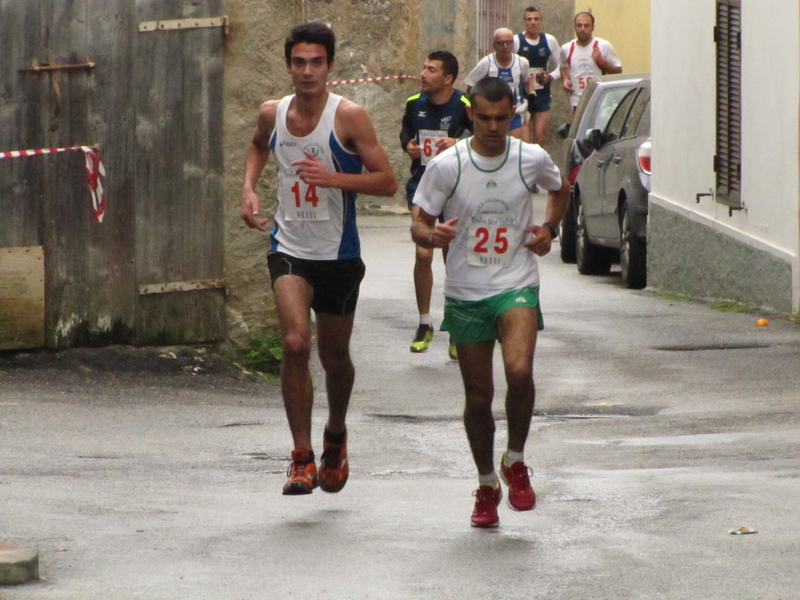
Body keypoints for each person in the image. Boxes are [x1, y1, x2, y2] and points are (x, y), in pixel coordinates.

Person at [240, 22, 397, 496]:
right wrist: (248, 188)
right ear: (288, 65)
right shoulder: (273, 114)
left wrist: (334, 179)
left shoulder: (349, 117)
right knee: (293, 343)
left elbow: (388, 181)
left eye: (316, 62)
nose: (307, 72)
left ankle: (336, 434)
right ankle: (301, 457)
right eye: (298, 62)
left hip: (339, 255)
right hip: (289, 248)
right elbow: (256, 145)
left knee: (334, 357)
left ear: (329, 65)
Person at [410, 76, 570, 528]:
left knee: (519, 371)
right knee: (478, 399)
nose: (495, 127)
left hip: (516, 282)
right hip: (465, 292)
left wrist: (549, 229)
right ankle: (486, 483)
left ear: (512, 114)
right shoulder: (448, 165)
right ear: (471, 115)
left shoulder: (530, 158)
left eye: (503, 118)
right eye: (485, 118)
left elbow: (560, 189)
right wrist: (432, 233)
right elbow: (418, 222)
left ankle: (515, 460)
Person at [400, 51, 472, 358]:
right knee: (423, 251)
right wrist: (409, 146)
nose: (423, 73)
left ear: (448, 79)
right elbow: (405, 130)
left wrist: (460, 144)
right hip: (423, 184)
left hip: (455, 187)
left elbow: (485, 136)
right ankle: (425, 322)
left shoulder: (465, 105)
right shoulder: (414, 103)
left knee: (452, 255)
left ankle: (455, 325)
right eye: (423, 67)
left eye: (431, 70)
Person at [464, 28, 532, 140]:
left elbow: (527, 80)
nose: (505, 46)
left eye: (508, 42)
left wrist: (532, 95)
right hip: (492, 113)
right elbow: (470, 87)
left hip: (515, 112)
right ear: (494, 46)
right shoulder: (486, 63)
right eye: (501, 43)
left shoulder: (522, 63)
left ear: (513, 44)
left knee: (516, 147)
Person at [514, 6, 562, 146]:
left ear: (541, 22)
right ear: (524, 22)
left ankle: (537, 166)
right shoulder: (516, 41)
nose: (533, 22)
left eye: (536, 19)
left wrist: (550, 77)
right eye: (529, 19)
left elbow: (563, 65)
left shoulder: (549, 40)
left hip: (542, 94)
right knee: (524, 141)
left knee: (540, 138)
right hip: (522, 95)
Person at [559, 11, 622, 112]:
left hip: (600, 101)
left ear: (593, 28)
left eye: (586, 26)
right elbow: (563, 65)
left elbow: (618, 70)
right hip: (577, 101)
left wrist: (602, 62)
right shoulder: (566, 48)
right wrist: (566, 79)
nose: (582, 29)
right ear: (575, 27)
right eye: (579, 25)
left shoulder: (603, 46)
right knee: (579, 127)